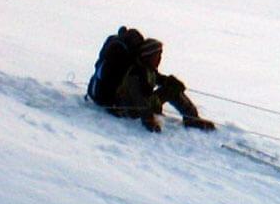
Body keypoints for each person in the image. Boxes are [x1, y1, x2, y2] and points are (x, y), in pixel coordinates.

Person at [86, 27, 214, 133]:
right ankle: (191, 119)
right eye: (157, 55)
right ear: (148, 56)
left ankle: (191, 118)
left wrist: (168, 81)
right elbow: (139, 100)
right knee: (172, 90)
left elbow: (156, 79)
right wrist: (149, 121)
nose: (159, 59)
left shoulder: (144, 67)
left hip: (132, 106)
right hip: (126, 109)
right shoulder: (135, 73)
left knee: (172, 87)